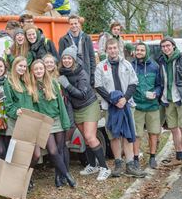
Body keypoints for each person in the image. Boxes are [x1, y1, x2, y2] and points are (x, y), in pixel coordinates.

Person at [95, 38, 146, 178]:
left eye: (114, 48)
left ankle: (130, 164)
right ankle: (118, 164)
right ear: (106, 50)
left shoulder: (127, 64)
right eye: (110, 48)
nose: (112, 50)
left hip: (127, 104)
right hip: (110, 107)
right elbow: (99, 86)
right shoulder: (100, 67)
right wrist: (114, 101)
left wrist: (125, 99)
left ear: (119, 49)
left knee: (128, 134)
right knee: (113, 135)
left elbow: (133, 83)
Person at [58, 46, 111, 181]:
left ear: (74, 60)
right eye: (64, 58)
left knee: (90, 136)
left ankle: (105, 168)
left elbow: (82, 94)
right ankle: (92, 165)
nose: (67, 60)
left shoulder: (81, 73)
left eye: (69, 58)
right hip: (76, 109)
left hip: (88, 106)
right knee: (85, 138)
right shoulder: (62, 72)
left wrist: (66, 85)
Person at [29, 59, 76, 188]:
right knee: (53, 151)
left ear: (44, 70)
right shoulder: (31, 86)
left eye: (41, 69)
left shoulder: (53, 83)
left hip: (57, 120)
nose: (39, 71)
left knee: (60, 150)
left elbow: (61, 104)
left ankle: (57, 177)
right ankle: (67, 175)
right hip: (45, 122)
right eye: (36, 69)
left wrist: (65, 121)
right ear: (32, 71)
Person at [157, 37, 182, 171]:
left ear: (173, 46)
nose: (165, 48)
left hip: (181, 99)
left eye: (168, 45)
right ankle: (178, 157)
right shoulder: (161, 60)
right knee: (174, 129)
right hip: (167, 100)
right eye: (163, 46)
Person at [131, 43, 162, 169]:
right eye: (137, 50)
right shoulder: (131, 66)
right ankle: (135, 158)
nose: (139, 52)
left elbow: (160, 85)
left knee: (153, 132)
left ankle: (153, 157)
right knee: (137, 134)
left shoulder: (154, 67)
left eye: (142, 50)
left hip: (152, 106)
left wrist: (156, 93)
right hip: (137, 105)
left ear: (146, 52)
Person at [58, 15, 96, 85]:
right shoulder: (63, 40)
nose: (74, 26)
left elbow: (92, 57)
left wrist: (93, 74)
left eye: (75, 23)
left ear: (79, 24)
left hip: (85, 70)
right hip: (71, 73)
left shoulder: (87, 38)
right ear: (69, 25)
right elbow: (60, 58)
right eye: (71, 24)